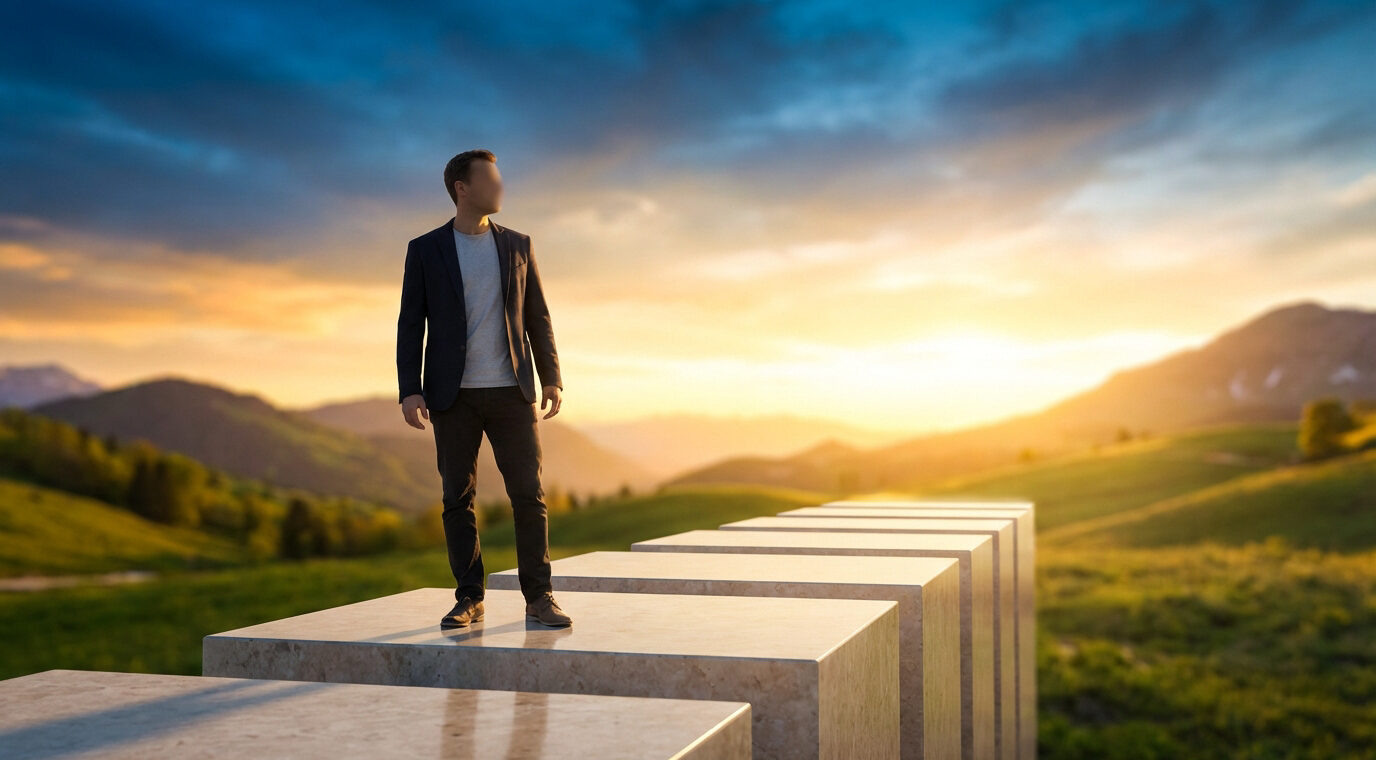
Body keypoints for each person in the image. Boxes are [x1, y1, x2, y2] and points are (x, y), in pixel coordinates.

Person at [396, 149, 571, 629]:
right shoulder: (425, 249)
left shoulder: (519, 244)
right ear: (462, 189)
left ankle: (540, 598)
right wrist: (409, 389)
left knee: (529, 496)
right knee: (458, 498)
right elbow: (411, 323)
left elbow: (537, 314)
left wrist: (550, 375)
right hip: (452, 395)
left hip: (512, 390)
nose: (501, 187)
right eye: (491, 180)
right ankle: (469, 597)